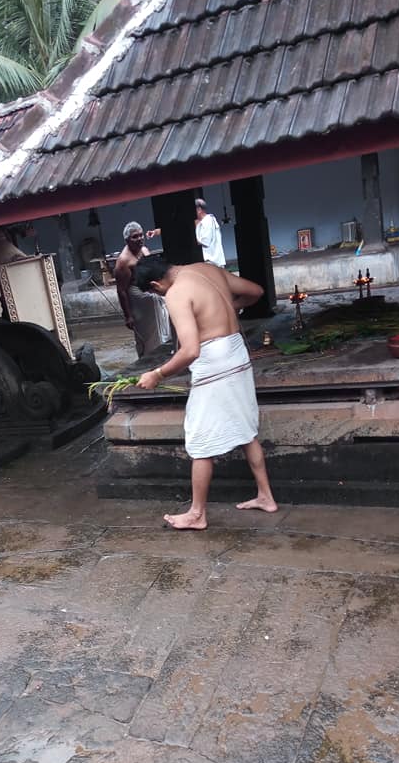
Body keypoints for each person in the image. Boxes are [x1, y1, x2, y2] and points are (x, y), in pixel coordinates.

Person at [133, 255, 277, 529]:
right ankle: (265, 496)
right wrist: (226, 310)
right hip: (236, 351)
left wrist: (157, 374)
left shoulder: (175, 294)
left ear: (155, 284)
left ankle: (197, 513)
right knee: (247, 430)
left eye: (155, 292)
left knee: (199, 438)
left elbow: (190, 350)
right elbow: (255, 292)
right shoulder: (208, 269)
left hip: (214, 361)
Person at [114, 221, 171, 357]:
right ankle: (150, 359)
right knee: (147, 337)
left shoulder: (144, 251)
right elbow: (121, 290)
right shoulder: (123, 261)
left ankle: (165, 355)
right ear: (127, 240)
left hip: (151, 290)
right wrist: (128, 316)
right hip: (138, 300)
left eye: (140, 235)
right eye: (135, 237)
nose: (139, 239)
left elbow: (153, 271)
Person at [195, 198, 226, 267]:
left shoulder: (208, 220)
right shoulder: (204, 222)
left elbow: (205, 241)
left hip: (213, 262)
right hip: (212, 262)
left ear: (199, 209)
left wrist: (196, 227)